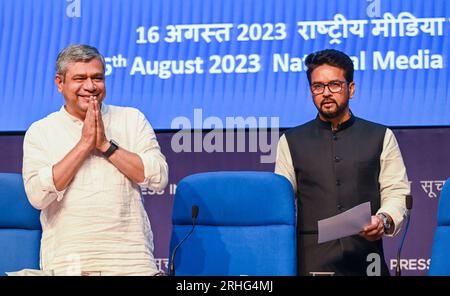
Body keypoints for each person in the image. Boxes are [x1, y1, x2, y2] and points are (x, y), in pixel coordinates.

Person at [22, 44, 169, 275]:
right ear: (60, 83)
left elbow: (158, 177)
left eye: (97, 78)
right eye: (80, 78)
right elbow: (37, 196)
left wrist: (105, 145)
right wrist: (84, 145)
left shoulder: (132, 119)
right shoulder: (41, 131)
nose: (90, 86)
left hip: (132, 262)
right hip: (70, 263)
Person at [275, 49, 410, 276]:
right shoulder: (290, 141)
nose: (326, 93)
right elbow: (281, 206)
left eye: (335, 85)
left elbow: (396, 192)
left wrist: (384, 219)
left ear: (351, 88)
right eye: (318, 86)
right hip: (311, 262)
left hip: (367, 260)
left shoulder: (381, 136)